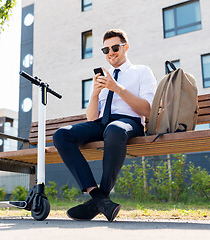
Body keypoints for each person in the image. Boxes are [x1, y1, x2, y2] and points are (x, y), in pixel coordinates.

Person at [53, 29, 157, 222]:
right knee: (61, 135)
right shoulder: (104, 78)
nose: (111, 52)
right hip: (103, 123)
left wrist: (116, 87)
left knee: (114, 129)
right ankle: (99, 198)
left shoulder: (141, 72)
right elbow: (92, 117)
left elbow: (148, 110)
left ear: (126, 47)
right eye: (106, 49)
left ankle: (99, 199)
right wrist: (94, 93)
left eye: (115, 47)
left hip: (129, 123)